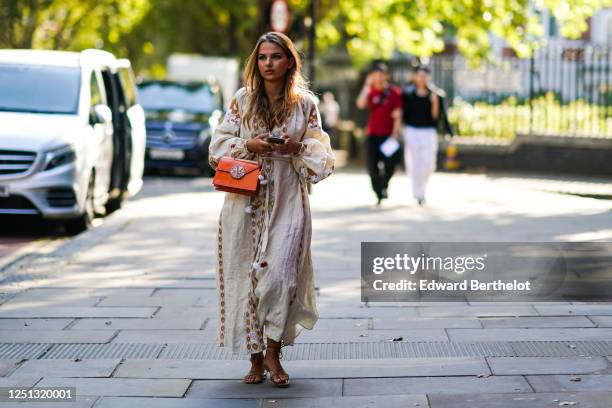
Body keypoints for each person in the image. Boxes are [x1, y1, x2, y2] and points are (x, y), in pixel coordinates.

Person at [208, 32, 334, 388]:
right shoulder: (242, 100)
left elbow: (322, 159)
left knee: (280, 276)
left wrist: (296, 147)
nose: (268, 63)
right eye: (262, 57)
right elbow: (216, 148)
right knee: (246, 277)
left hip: (289, 201)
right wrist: (248, 144)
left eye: (276, 56)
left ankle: (273, 352)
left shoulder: (306, 105)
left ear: (289, 61)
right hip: (243, 203)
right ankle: (254, 356)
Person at [401, 64, 449, 206]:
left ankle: (422, 190)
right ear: (415, 77)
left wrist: (434, 103)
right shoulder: (408, 94)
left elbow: (437, 117)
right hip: (412, 131)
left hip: (428, 132)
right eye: (420, 75)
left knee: (428, 163)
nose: (423, 78)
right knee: (414, 163)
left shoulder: (436, 94)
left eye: (425, 75)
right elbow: (404, 115)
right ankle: (418, 193)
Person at [356, 63, 402, 206]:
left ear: (386, 76)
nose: (378, 78)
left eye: (381, 75)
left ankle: (384, 185)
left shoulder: (394, 93)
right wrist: (366, 86)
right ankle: (379, 192)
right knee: (372, 166)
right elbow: (360, 104)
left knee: (390, 165)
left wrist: (395, 134)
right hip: (372, 134)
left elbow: (398, 115)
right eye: (375, 75)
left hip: (388, 136)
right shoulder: (370, 92)